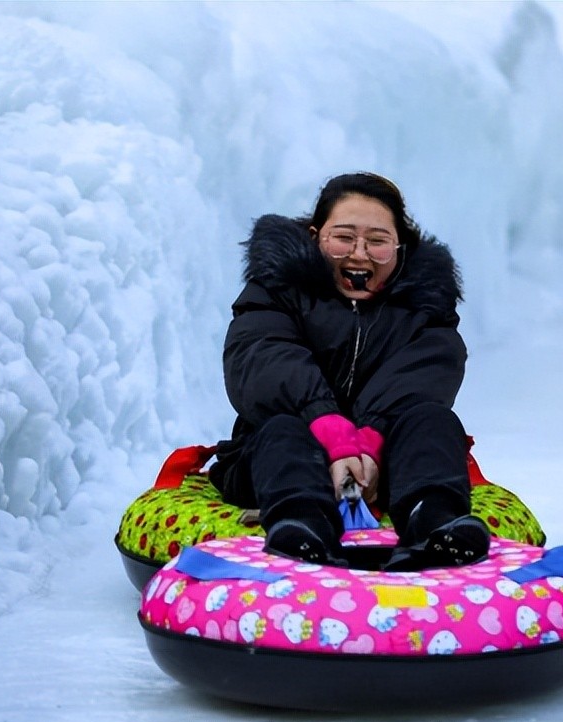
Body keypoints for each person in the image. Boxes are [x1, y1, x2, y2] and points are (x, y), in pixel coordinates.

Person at [208, 172, 490, 571]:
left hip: (387, 463)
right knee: (282, 430)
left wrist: (371, 437)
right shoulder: (275, 291)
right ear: (314, 237)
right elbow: (263, 358)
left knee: (433, 420)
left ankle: (435, 524)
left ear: (399, 249)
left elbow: (426, 374)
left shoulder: (425, 309)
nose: (359, 254)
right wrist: (328, 426)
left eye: (377, 242)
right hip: (281, 458)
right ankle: (302, 526)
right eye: (344, 237)